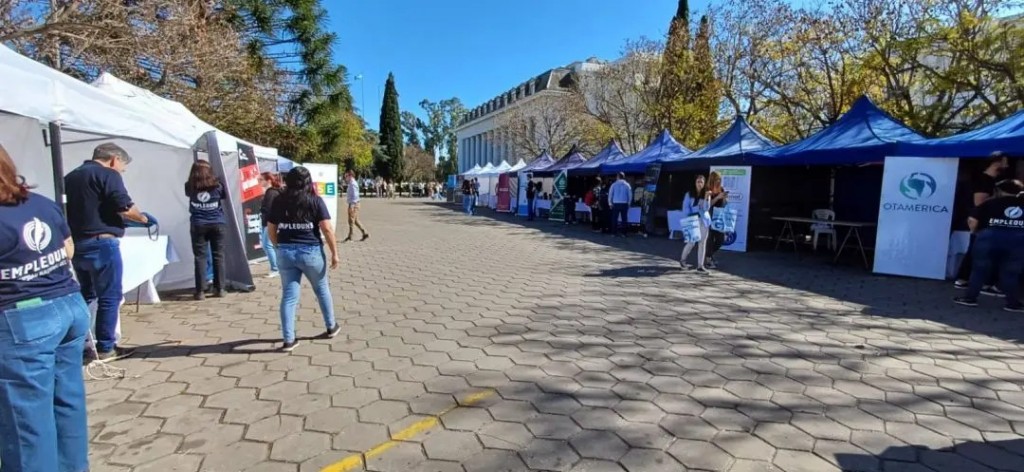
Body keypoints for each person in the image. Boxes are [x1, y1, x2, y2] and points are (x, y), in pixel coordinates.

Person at [0, 145, 91, 472]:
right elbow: (68, 250)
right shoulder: (40, 203)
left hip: (23, 321)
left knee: (25, 421)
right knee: (67, 403)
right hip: (68, 308)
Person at [64, 143, 154, 361]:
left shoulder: (70, 177)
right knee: (109, 296)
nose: (121, 171)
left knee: (86, 295)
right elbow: (124, 206)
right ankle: (105, 346)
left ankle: (80, 343)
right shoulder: (108, 175)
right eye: (122, 167)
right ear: (114, 159)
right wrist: (142, 218)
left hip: (78, 244)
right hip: (102, 243)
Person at [267, 167, 341, 351]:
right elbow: (327, 229)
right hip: (311, 251)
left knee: (289, 297)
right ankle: (331, 326)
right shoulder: (314, 200)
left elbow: (271, 228)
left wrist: (278, 246)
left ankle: (288, 340)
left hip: (285, 252)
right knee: (322, 289)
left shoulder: (278, 200)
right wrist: (335, 253)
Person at [954, 179, 1024, 312]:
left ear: (999, 191)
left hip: (989, 238)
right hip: (1018, 240)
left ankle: (970, 298)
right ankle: (1013, 304)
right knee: (1011, 273)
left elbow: (972, 220)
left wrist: (975, 232)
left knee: (979, 270)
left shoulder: (990, 203)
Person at [955, 152, 1010, 295]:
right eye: (1005, 161)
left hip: (984, 222)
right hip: (980, 222)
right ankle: (967, 280)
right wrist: (1001, 199)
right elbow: (979, 203)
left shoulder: (992, 180)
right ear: (996, 162)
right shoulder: (983, 180)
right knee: (978, 251)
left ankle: (967, 279)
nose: (1008, 165)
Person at [184, 161, 227, 300]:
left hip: (198, 224)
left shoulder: (189, 186)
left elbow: (188, 193)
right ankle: (220, 288)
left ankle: (200, 291)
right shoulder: (218, 185)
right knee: (218, 256)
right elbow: (224, 196)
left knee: (200, 257)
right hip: (217, 222)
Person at [679, 175, 711, 273]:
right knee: (691, 242)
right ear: (695, 182)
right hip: (692, 219)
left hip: (704, 220)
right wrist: (689, 217)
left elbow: (706, 208)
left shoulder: (707, 194)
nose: (700, 184)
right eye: (698, 181)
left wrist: (706, 198)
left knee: (702, 243)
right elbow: (686, 208)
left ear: (704, 183)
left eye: (701, 182)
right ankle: (682, 260)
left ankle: (700, 266)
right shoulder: (689, 194)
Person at [259, 172, 283, 278]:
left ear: (268, 180)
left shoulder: (271, 192)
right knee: (271, 245)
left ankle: (275, 268)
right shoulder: (274, 191)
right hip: (271, 222)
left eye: (261, 180)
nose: (259, 182)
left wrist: (262, 210)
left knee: (267, 245)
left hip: (269, 223)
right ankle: (278, 267)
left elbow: (268, 209)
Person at [704, 171, 730, 269]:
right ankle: (708, 260)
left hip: (720, 218)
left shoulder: (721, 189)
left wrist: (725, 199)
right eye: (716, 179)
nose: (718, 181)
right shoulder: (708, 189)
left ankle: (708, 256)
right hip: (710, 217)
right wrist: (718, 197)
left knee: (721, 239)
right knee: (710, 240)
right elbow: (708, 205)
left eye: (719, 179)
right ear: (712, 179)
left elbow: (724, 203)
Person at [344, 170, 370, 242]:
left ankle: (350, 236)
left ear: (350, 176)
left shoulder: (353, 183)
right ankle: (364, 233)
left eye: (346, 176)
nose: (345, 178)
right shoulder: (351, 183)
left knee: (351, 220)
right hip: (353, 203)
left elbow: (355, 195)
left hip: (354, 204)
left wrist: (352, 205)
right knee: (355, 220)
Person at [609, 172, 632, 237]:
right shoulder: (627, 185)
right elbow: (630, 195)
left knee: (614, 218)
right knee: (624, 219)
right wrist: (629, 203)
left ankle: (613, 233)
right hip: (624, 203)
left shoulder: (614, 184)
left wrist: (610, 203)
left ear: (618, 177)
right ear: (623, 177)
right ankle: (623, 233)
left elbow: (610, 194)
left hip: (616, 203)